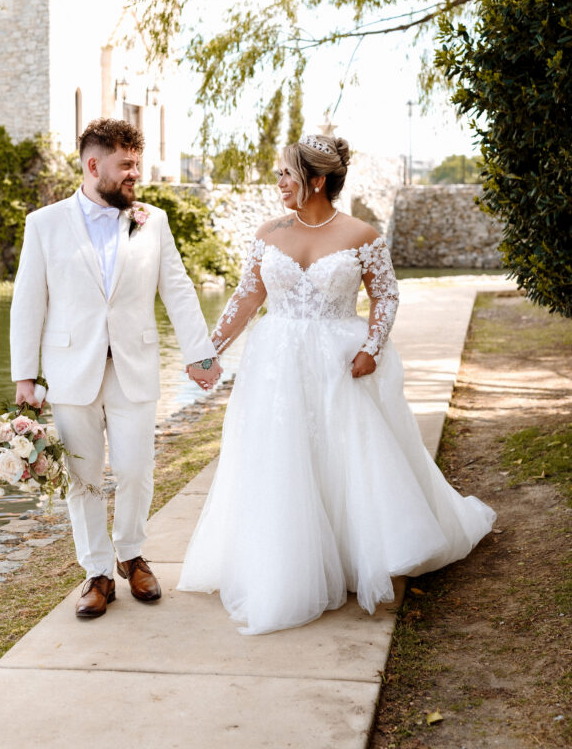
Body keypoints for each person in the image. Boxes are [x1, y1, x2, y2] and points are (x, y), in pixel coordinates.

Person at [178, 133, 495, 635]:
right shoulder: (267, 233)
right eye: (280, 172)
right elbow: (245, 298)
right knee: (282, 455)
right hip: (276, 362)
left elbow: (386, 297)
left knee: (344, 453)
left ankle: (351, 556)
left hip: (338, 361)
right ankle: (286, 559)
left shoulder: (361, 235)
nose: (279, 181)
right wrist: (207, 351)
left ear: (317, 180)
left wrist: (372, 346)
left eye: (287, 173)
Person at [10, 118, 221, 620]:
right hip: (69, 370)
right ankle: (97, 572)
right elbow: (27, 303)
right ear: (93, 165)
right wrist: (25, 375)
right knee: (82, 479)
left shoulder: (155, 221)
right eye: (125, 165)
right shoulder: (44, 224)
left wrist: (200, 353)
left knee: (135, 469)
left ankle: (131, 555)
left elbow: (179, 287)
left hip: (135, 365)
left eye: (136, 165)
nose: (134, 175)